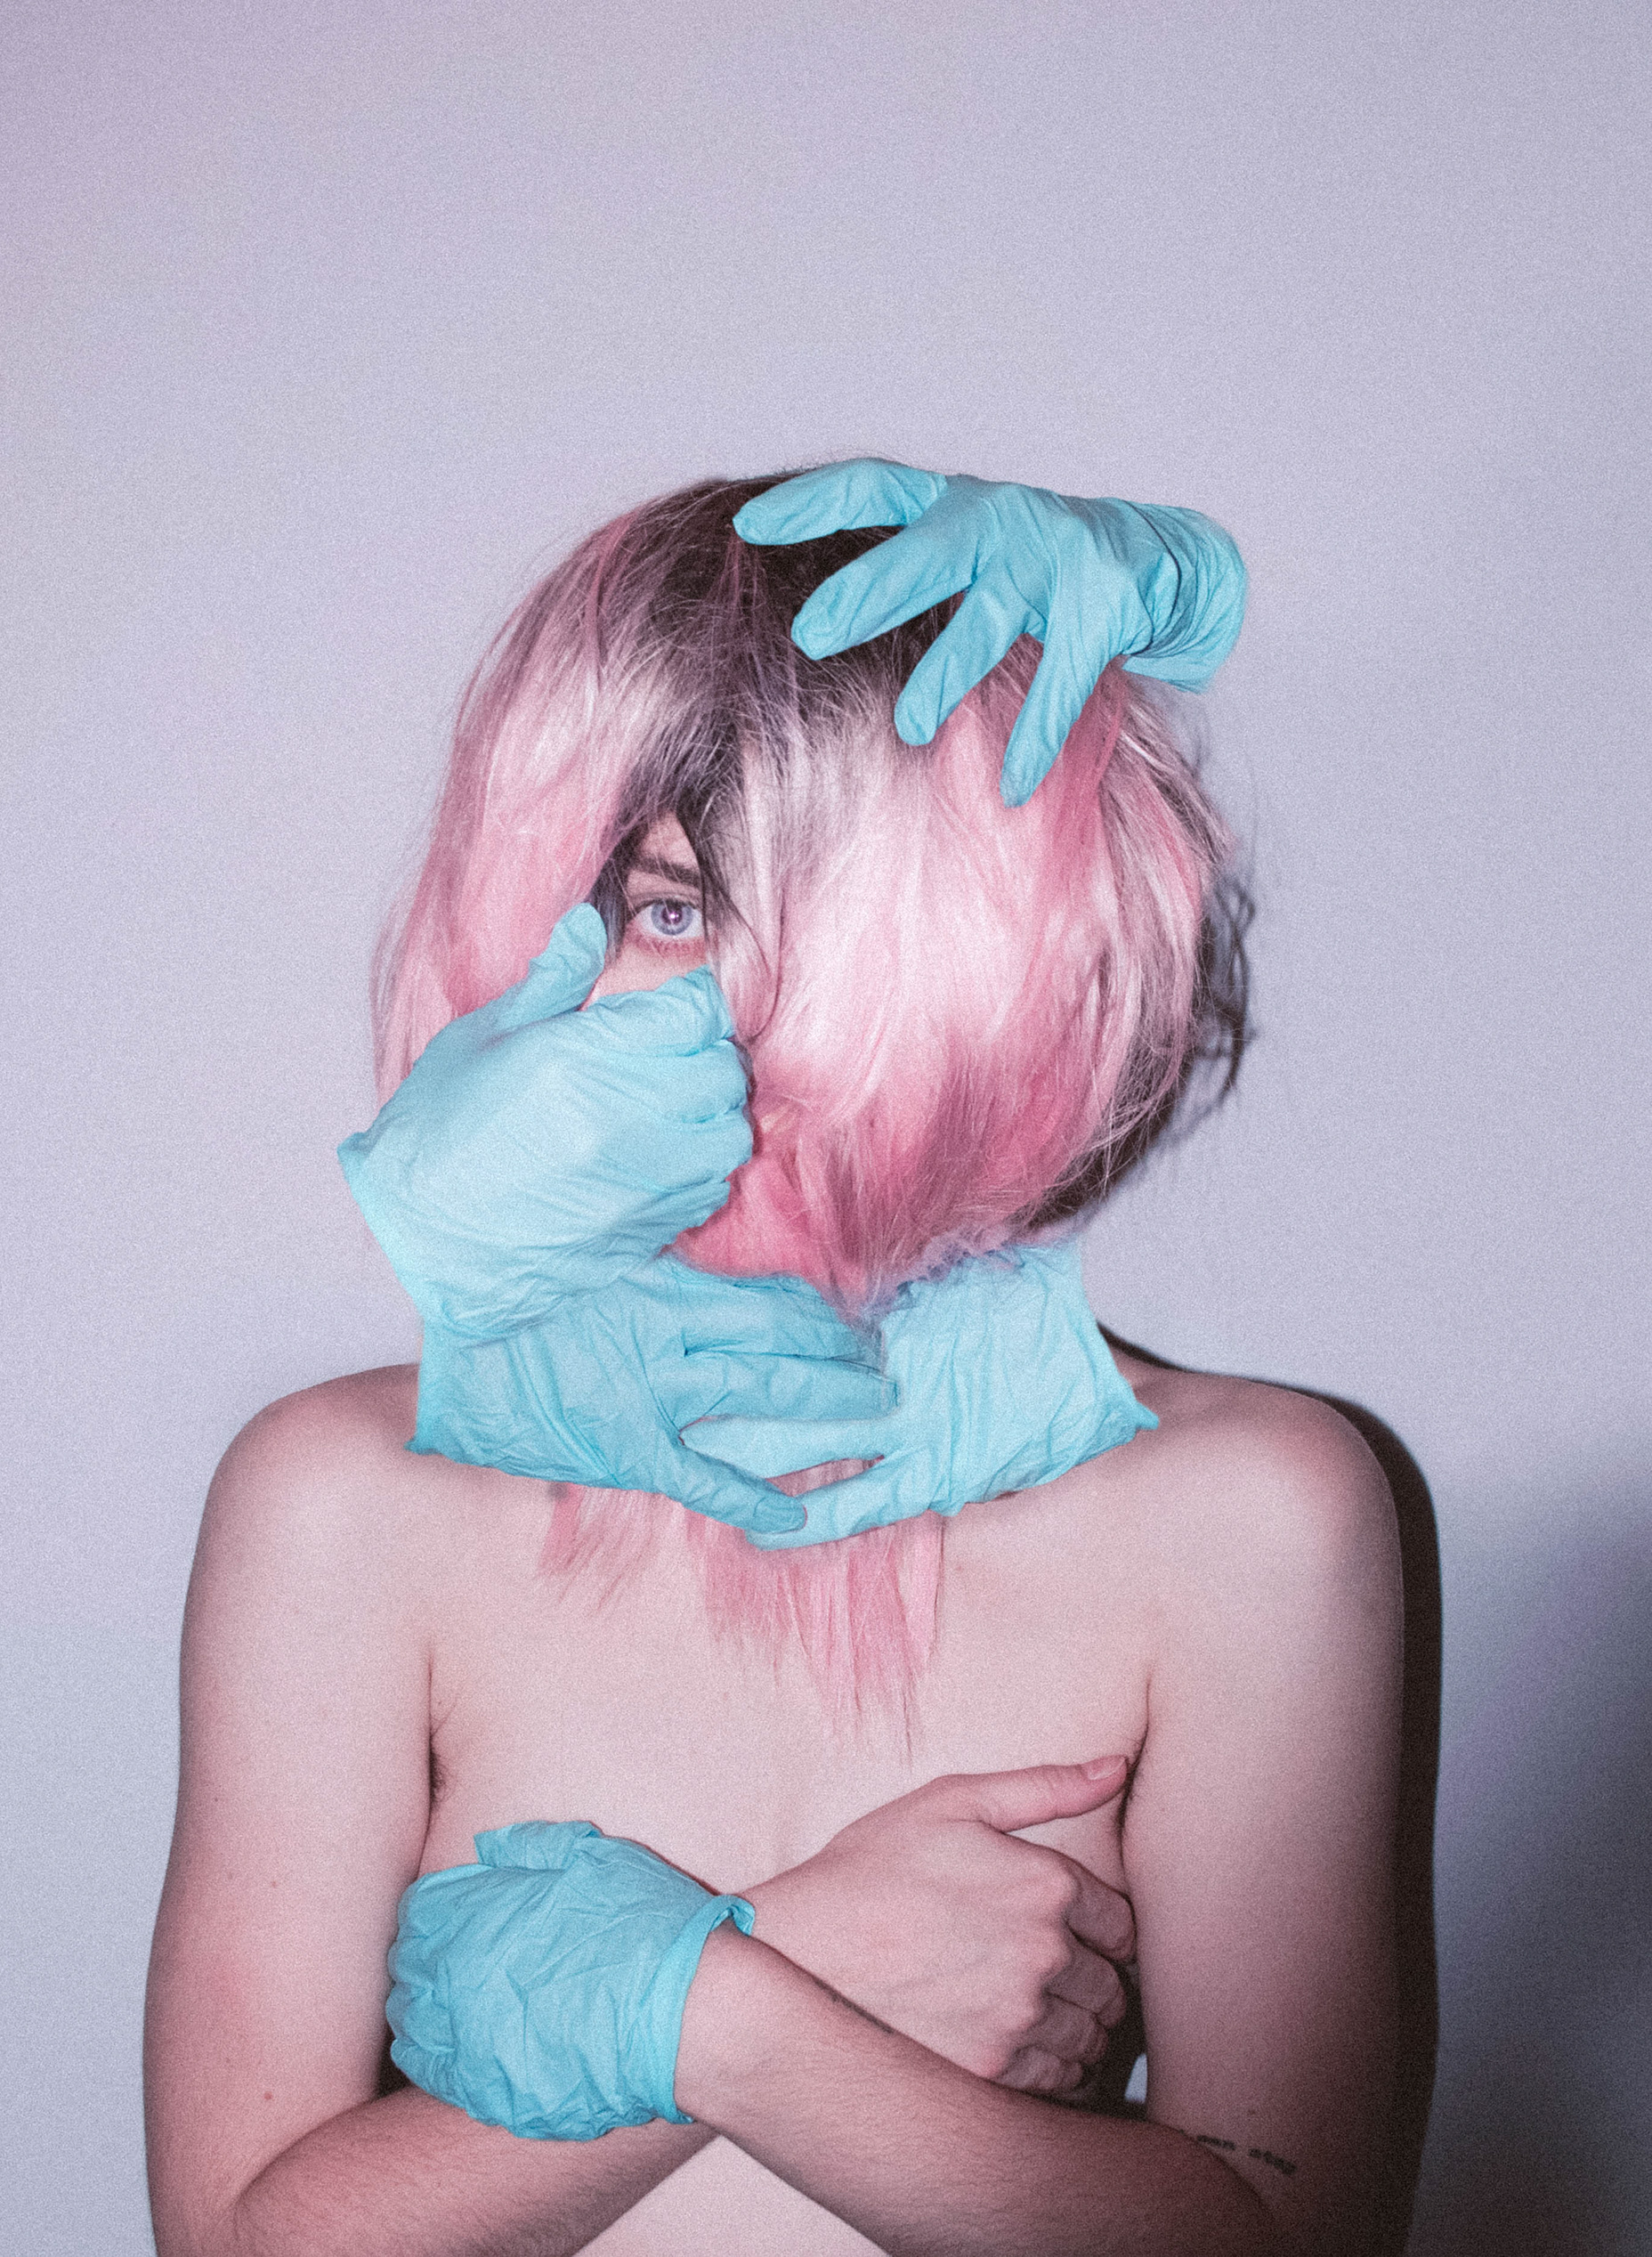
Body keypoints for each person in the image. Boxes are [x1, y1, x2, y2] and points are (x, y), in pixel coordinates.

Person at [144, 468, 1405, 2256]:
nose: (736, 1028)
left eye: (848, 921)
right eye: (665, 909)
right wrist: (776, 1971)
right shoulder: (346, 1501)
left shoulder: (1254, 1515)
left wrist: (721, 2018)